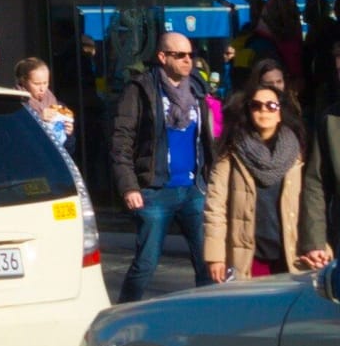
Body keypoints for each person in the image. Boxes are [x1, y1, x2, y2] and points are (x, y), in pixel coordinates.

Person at [111, 32, 216, 303]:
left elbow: (208, 140)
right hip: (155, 190)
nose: (187, 60)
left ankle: (208, 316)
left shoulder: (197, 89)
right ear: (162, 57)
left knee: (207, 260)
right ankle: (123, 312)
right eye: (179, 55)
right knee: (146, 263)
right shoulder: (141, 89)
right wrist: (129, 186)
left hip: (194, 188)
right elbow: (122, 140)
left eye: (190, 55)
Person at [205, 85, 332, 281]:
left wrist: (320, 244)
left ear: (280, 112)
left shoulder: (299, 154)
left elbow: (315, 199)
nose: (264, 110)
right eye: (256, 105)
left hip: (293, 253)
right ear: (248, 111)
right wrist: (215, 257)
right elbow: (215, 207)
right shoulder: (230, 155)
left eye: (271, 105)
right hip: (248, 256)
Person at [16, 56, 75, 150]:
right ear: (23, 81)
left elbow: (69, 150)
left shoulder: (58, 105)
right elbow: (17, 140)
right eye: (36, 84)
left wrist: (68, 134)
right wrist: (38, 118)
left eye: (45, 83)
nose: (42, 89)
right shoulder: (15, 106)